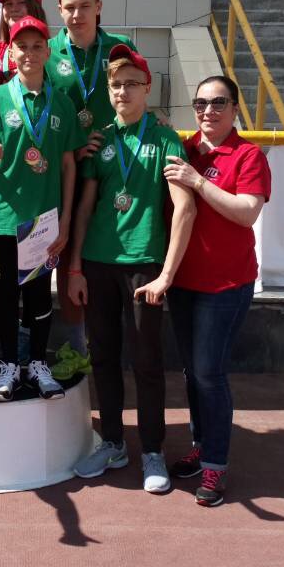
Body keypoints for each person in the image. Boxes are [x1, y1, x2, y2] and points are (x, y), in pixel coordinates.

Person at [68, 47, 196, 493]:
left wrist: (167, 274)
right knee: (103, 357)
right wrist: (75, 267)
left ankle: (153, 450)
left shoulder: (165, 139)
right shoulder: (100, 141)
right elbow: (85, 209)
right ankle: (113, 442)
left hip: (144, 266)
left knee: (146, 362)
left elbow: (184, 208)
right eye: (116, 85)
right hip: (98, 263)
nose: (123, 92)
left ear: (147, 88)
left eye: (131, 84)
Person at [164, 75, 272, 507]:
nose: (208, 111)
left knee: (209, 373)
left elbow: (247, 213)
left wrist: (198, 181)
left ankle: (215, 464)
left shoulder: (247, 155)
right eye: (201, 103)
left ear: (235, 108)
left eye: (218, 102)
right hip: (183, 282)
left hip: (226, 285)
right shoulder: (184, 148)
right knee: (193, 372)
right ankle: (202, 445)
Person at [0, 16, 83, 402]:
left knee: (37, 295)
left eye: (38, 46)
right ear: (11, 51)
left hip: (43, 220)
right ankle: (8, 366)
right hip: (5, 217)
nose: (30, 53)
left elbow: (69, 166)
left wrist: (65, 219)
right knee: (7, 294)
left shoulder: (63, 104)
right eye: (22, 46)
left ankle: (37, 363)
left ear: (48, 52)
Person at [46, 0, 136, 369]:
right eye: (70, 8)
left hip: (111, 169)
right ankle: (74, 345)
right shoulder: (47, 51)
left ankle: (109, 345)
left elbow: (135, 94)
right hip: (63, 170)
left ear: (99, 7)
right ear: (59, 11)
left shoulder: (120, 48)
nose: (77, 14)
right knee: (66, 253)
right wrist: (71, 145)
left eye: (85, 6)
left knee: (107, 251)